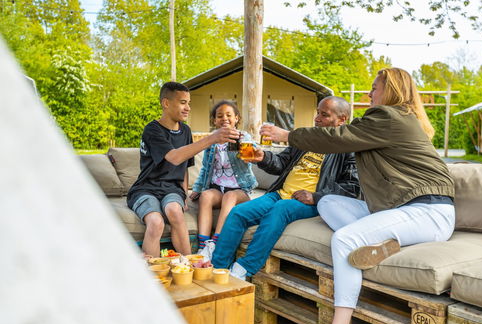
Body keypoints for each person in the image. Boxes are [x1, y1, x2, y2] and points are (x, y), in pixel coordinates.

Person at [260, 68, 455, 324]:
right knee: (327, 201)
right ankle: (385, 242)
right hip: (404, 211)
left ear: (391, 90)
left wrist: (287, 135)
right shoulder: (400, 119)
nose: (369, 93)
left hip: (427, 211)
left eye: (374, 88)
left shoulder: (387, 116)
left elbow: (340, 137)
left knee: (345, 238)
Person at [211, 96, 361, 280]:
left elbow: (352, 186)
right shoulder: (308, 139)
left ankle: (244, 269)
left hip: (312, 202)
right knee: (237, 213)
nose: (317, 118)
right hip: (280, 195)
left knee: (281, 209)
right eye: (317, 113)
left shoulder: (349, 148)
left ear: (342, 119)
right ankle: (217, 268)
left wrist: (317, 196)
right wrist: (263, 157)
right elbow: (281, 162)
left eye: (324, 115)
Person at [127, 82, 240, 257]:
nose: (188, 108)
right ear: (166, 103)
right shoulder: (152, 130)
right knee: (156, 222)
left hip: (171, 190)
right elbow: (175, 157)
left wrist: (183, 193)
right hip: (145, 188)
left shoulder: (185, 130)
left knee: (175, 212)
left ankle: (189, 264)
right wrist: (211, 138)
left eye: (188, 103)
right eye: (183, 102)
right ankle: (155, 275)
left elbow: (185, 165)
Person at [190, 100, 257, 258]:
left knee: (230, 196)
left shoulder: (242, 137)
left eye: (229, 115)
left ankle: (215, 243)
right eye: (219, 116)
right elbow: (205, 169)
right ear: (214, 120)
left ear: (236, 118)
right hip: (218, 188)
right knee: (206, 196)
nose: (224, 118)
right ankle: (203, 246)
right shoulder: (212, 142)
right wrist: (198, 189)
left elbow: (253, 155)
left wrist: (248, 149)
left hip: (240, 190)